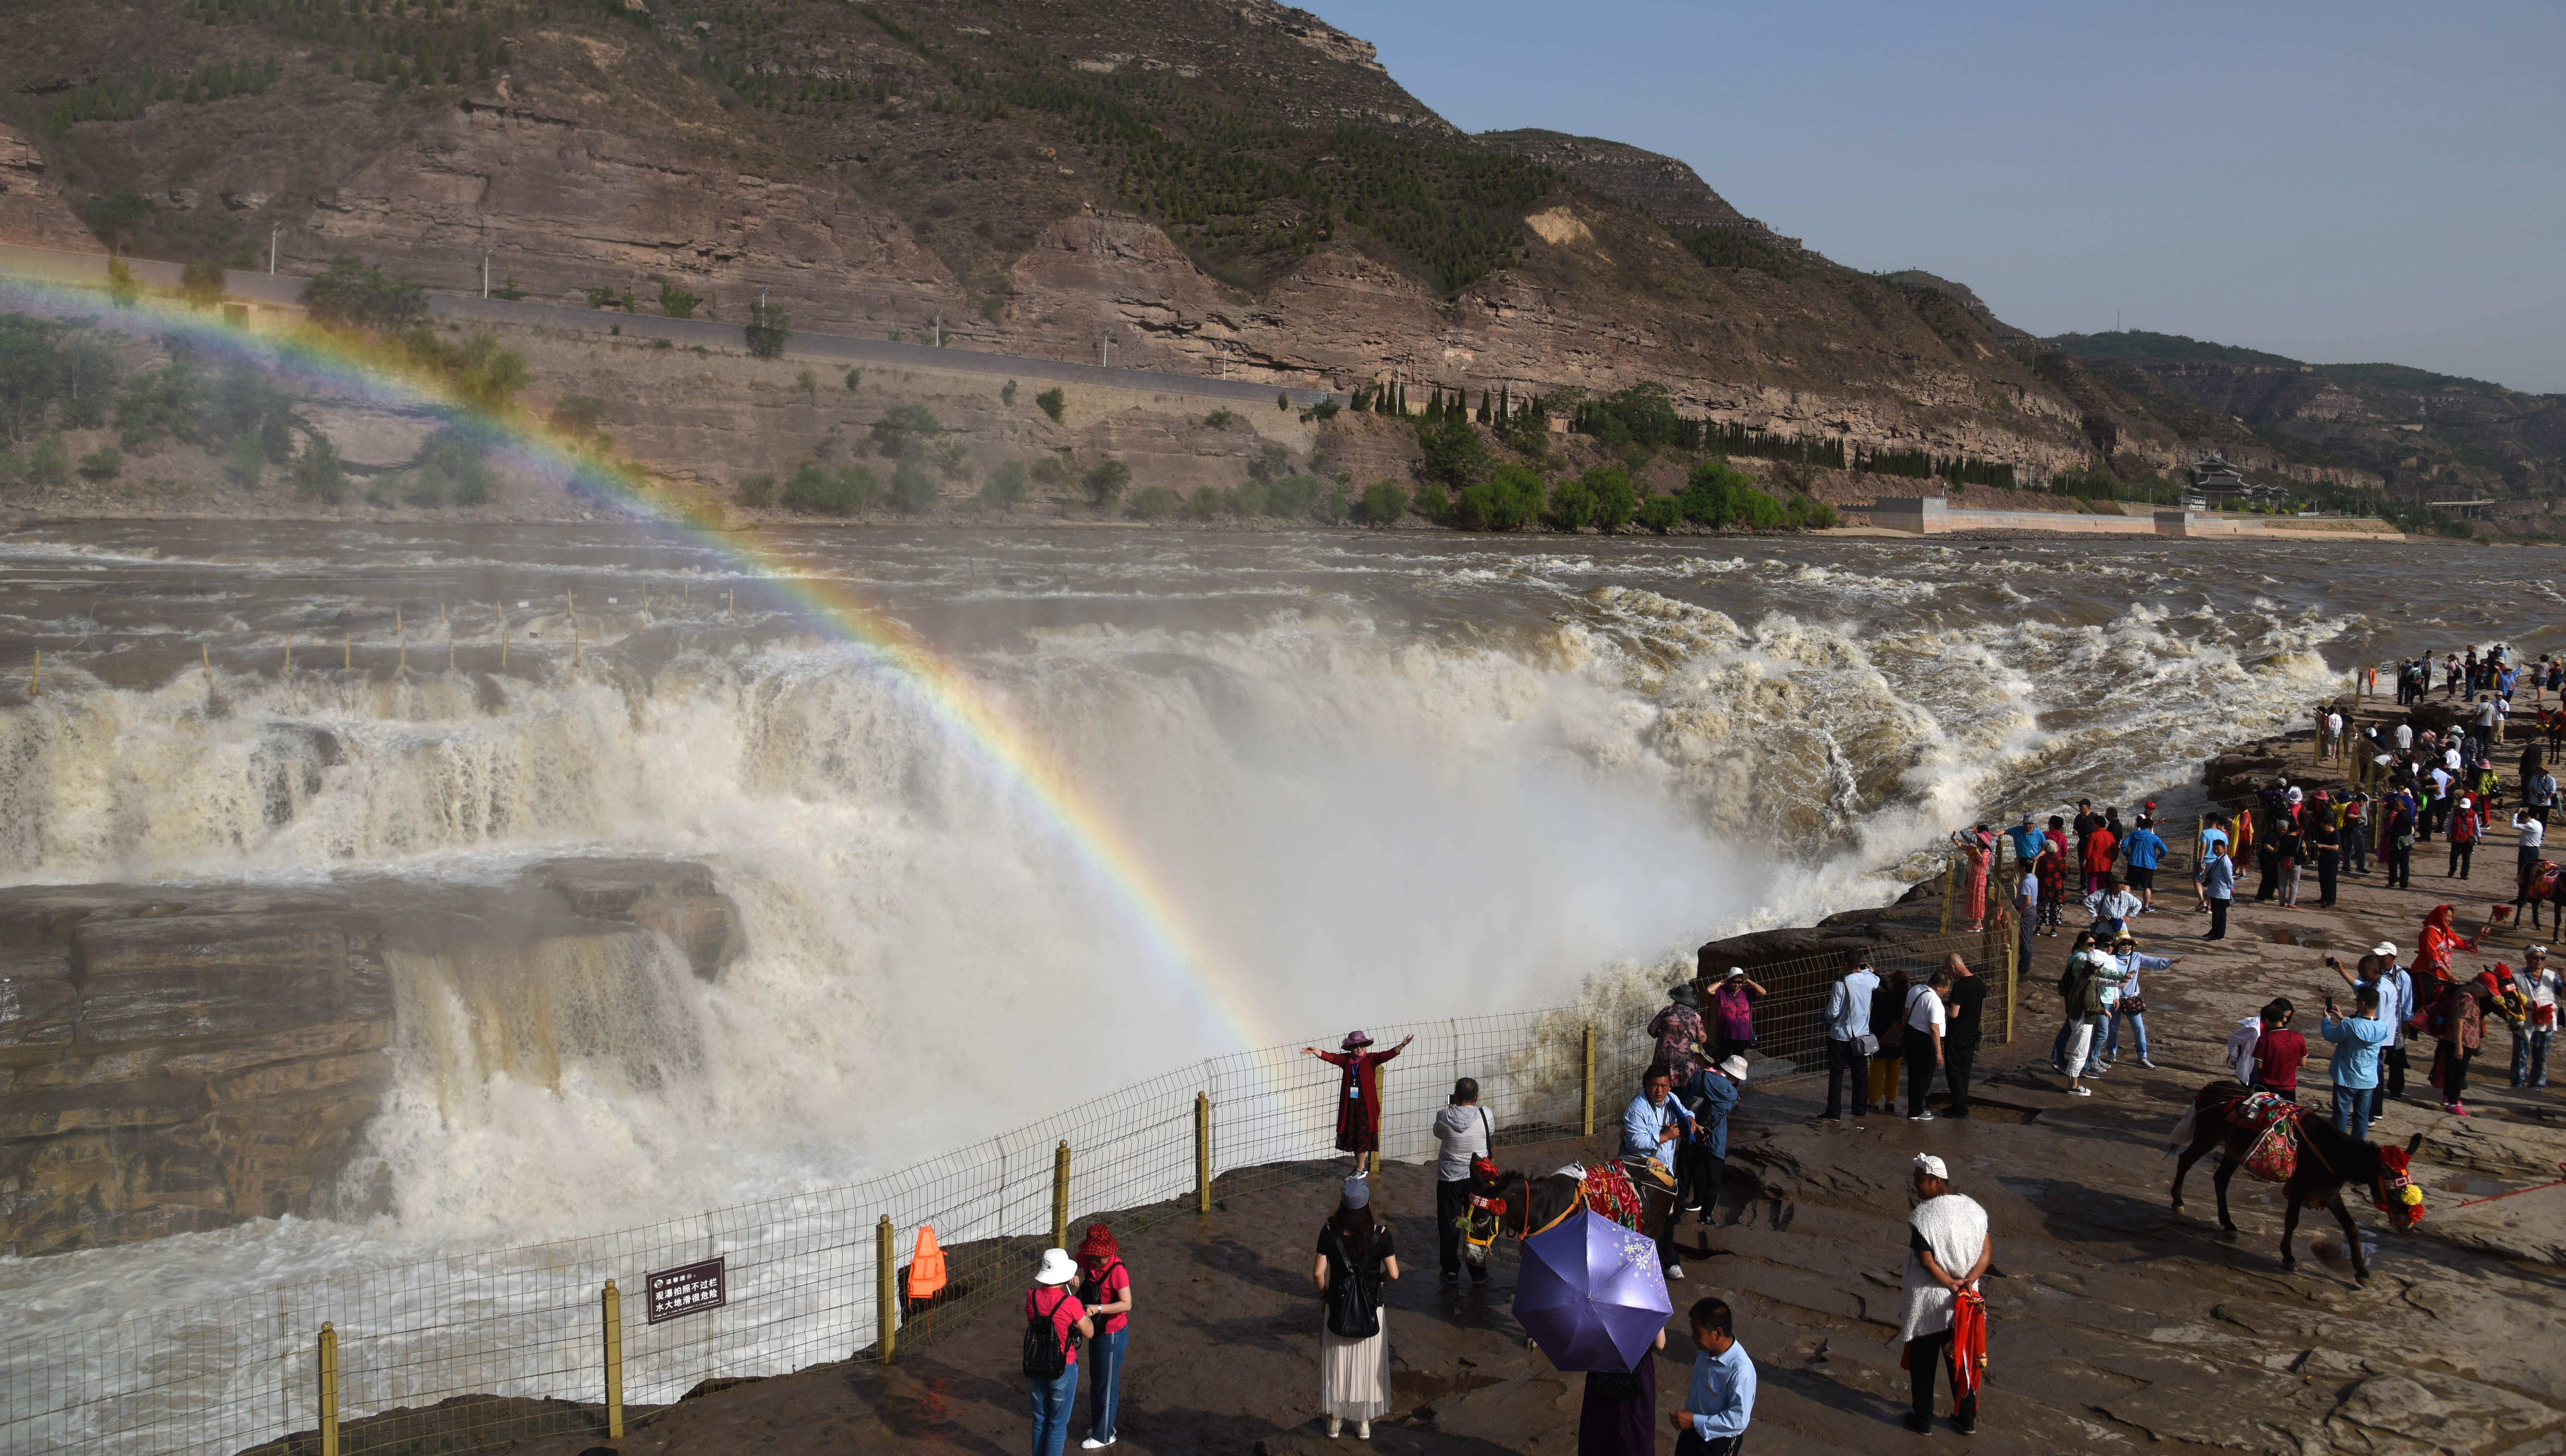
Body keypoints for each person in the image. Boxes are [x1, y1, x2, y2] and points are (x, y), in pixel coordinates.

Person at [1900, 1153, 1989, 1436]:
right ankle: (1966, 1421)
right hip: (1963, 1307)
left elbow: (1926, 1262)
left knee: (1924, 1368)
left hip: (1928, 1308)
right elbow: (1986, 1252)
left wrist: (1951, 1283)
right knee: (1961, 1362)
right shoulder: (1975, 1210)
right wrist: (1968, 1281)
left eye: (1919, 1179)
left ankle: (1923, 1420)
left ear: (1936, 1181)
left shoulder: (1923, 1218)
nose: (1915, 1184)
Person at [1313, 1175, 1398, 1439]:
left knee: (1337, 1364)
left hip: (1338, 1306)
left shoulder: (1329, 1232)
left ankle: (1334, 1422)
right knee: (1366, 1364)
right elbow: (1394, 1274)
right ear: (1368, 1204)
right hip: (1371, 1308)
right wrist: (1379, 1283)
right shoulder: (1381, 1235)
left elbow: (1318, 1273)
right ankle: (1362, 1424)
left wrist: (1324, 1296)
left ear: (1342, 1204)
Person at [1622, 1065, 1694, 1278]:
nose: (1659, 1091)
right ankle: (1640, 1262)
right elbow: (1636, 1141)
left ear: (1670, 1086)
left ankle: (1669, 1262)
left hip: (1665, 1171)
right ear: (1646, 1084)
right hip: (1642, 1171)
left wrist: (1689, 1119)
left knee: (1668, 1216)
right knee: (1643, 1217)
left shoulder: (1671, 1099)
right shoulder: (1637, 1108)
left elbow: (1685, 1111)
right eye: (1655, 1085)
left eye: (1664, 1086)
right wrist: (1664, 1137)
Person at [1304, 1031, 1413, 1169]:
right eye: (1356, 1046)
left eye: (1362, 1045)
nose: (1359, 1048)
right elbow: (1331, 1057)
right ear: (1351, 1048)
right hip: (1350, 1105)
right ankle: (1359, 1167)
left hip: (1365, 1105)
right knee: (1355, 1134)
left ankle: (1360, 1169)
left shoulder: (1371, 1059)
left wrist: (1402, 1045)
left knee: (1362, 1135)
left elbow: (1386, 1055)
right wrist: (1316, 1051)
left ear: (1366, 1046)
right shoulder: (1346, 1060)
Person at [1025, 1248, 1095, 1456]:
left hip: (1036, 1364)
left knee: (1040, 1421)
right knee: (1057, 1426)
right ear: (1063, 1275)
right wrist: (1080, 1307)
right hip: (1063, 1367)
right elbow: (1089, 1332)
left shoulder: (1032, 1297)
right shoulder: (1071, 1303)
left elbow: (1042, 1318)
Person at [1672, 1296, 1754, 1455]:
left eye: (1697, 1332)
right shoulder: (1705, 1352)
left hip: (1716, 1444)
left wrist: (1695, 1422)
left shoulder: (1740, 1372)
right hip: (1691, 1432)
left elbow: (1738, 1420)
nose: (1693, 1337)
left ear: (1718, 1333)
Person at [1074, 1224, 1132, 1450]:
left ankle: (1104, 1435)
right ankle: (1104, 1426)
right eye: (1092, 1258)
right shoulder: (1088, 1258)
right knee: (1097, 1381)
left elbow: (1127, 1304)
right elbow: (1072, 1262)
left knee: (1106, 1385)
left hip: (1113, 1333)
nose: (1095, 1262)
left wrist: (1097, 1308)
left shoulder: (1118, 1270)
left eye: (1099, 1258)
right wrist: (1073, 1276)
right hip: (1096, 1331)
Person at [1432, 1080, 1493, 1285]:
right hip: (1478, 1179)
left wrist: (1452, 1111)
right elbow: (1489, 1133)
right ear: (1476, 1098)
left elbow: (1438, 1133)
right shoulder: (1486, 1115)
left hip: (1450, 1179)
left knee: (1449, 1225)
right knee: (1478, 1223)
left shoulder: (1444, 1116)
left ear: (1455, 1097)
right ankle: (1478, 1272)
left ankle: (1451, 1271)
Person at [1678, 1055, 1747, 1222]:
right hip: (1714, 1139)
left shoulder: (1698, 1077)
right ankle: (1706, 1217)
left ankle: (1677, 1212)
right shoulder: (1731, 1093)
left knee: (1683, 1175)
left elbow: (1684, 1100)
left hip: (1692, 1133)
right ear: (1736, 1076)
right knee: (1713, 1180)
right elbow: (1722, 1113)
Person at [2319, 983, 2392, 1141]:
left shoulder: (2351, 1025)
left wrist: (2327, 1021)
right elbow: (2364, 1028)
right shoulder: (2382, 1027)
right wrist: (2344, 1019)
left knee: (2341, 1115)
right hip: (2368, 1080)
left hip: (2347, 1078)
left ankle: (2340, 1143)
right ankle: (2358, 1145)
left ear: (2363, 1003)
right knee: (2362, 1116)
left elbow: (2331, 1036)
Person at [1578, 1325, 1666, 1456]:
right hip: (1635, 1375)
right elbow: (1659, 1344)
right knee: (1634, 1434)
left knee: (1599, 1431)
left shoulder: (1595, 1304)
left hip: (1602, 1371)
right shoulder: (1649, 1304)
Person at [2096, 934, 2173, 1070]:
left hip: (2131, 999)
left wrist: (2171, 961)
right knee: (2113, 1028)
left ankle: (2143, 1057)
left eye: (2129, 944)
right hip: (2115, 999)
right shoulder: (2111, 959)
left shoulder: (2136, 957)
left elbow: (2154, 962)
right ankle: (2111, 1053)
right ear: (2118, 946)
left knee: (2139, 1028)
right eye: (2123, 944)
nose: (2127, 947)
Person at [1822, 955, 1879, 1120]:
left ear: (1845, 964)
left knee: (1836, 1075)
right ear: (1859, 965)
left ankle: (1834, 1112)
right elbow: (1875, 978)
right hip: (1861, 1038)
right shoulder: (1869, 981)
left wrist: (1826, 1017)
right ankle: (1860, 1109)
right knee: (1860, 1074)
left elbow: (1833, 1013)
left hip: (1840, 1037)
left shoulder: (1841, 985)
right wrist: (1866, 971)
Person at [2429, 972, 2491, 1116]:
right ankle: (2453, 1102)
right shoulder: (2467, 1000)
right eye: (2487, 991)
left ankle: (2449, 1099)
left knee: (2453, 1071)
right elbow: (2459, 1023)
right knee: (2457, 1074)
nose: (2487, 994)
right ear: (2479, 988)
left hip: (2460, 1040)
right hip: (2462, 1042)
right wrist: (2459, 1047)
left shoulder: (2465, 992)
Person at [1941, 953, 1988, 1116]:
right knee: (1964, 1071)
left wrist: (1939, 1008)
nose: (1950, 973)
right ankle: (1959, 1104)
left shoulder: (1961, 987)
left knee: (1953, 1071)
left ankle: (1961, 1108)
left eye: (1949, 969)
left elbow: (1954, 1013)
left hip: (1957, 1034)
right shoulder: (1979, 983)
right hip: (1972, 1033)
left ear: (1953, 967)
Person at [1905, 968, 1949, 1121]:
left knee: (1914, 1074)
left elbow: (1906, 1012)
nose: (1946, 991)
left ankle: (1915, 1108)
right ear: (1939, 986)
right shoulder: (1934, 1000)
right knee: (1924, 1076)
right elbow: (1934, 1028)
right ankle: (1916, 1111)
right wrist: (1939, 1053)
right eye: (1946, 988)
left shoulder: (1915, 990)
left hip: (1911, 1034)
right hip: (1925, 1040)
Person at [2512, 945, 2558, 1089]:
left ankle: (2538, 1084)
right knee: (2520, 1053)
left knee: (2542, 1054)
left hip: (2546, 1019)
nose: (2539, 961)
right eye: (2535, 957)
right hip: (2524, 1018)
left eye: (2542, 958)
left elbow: (2564, 996)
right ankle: (2517, 1082)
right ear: (2527, 958)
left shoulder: (2552, 976)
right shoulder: (2516, 976)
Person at [1648, 983, 1709, 1088]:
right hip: (1686, 1059)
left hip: (1664, 1058)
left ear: (1676, 998)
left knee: (1662, 1086)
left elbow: (1651, 1030)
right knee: (1683, 1090)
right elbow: (1702, 1039)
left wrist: (1663, 1035)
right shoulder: (1696, 1016)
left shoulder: (1666, 1011)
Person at [1868, 967, 1910, 1112]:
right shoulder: (1906, 998)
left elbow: (1886, 987)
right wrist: (1877, 974)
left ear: (1892, 984)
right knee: (1894, 1072)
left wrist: (1873, 976)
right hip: (1898, 1041)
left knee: (1877, 1071)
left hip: (1880, 1040)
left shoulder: (1880, 997)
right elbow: (1892, 985)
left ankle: (1874, 1101)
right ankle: (1890, 1101)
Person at [2250, 998, 2306, 1103]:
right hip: (2289, 1089)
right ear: (2283, 1019)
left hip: (2266, 1088)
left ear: (2266, 1020)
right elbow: (2303, 1063)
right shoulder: (2298, 1037)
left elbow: (2259, 1065)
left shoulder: (2265, 1039)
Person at [1708, 968, 1767, 1062]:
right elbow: (1710, 990)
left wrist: (1748, 981)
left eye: (1740, 982)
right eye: (1734, 982)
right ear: (1729, 981)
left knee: (1737, 1062)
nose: (1737, 985)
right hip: (1726, 1034)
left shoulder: (1747, 992)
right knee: (1724, 1060)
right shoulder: (1722, 992)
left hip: (1742, 1034)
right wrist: (1722, 982)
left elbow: (1763, 992)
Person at [2514, 809, 2551, 930]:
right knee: (2533, 874)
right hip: (2535, 850)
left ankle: (2523, 897)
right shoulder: (2538, 824)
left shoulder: (2530, 825)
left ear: (2525, 820)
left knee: (2523, 875)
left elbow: (2513, 825)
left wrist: (2515, 814)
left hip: (2527, 851)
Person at [2121, 816, 2168, 913]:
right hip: (2148, 864)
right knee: (2147, 887)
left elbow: (2124, 844)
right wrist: (2159, 857)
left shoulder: (2134, 834)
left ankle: (2123, 905)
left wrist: (2127, 854)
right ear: (2152, 828)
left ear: (2142, 826)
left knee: (2128, 883)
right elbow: (2165, 850)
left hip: (2134, 862)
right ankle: (2146, 907)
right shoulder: (2154, 838)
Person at [2196, 834, 2235, 941]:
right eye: (2214, 849)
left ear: (2224, 849)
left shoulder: (2226, 861)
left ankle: (2219, 935)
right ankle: (2214, 931)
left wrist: (2232, 887)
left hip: (2222, 892)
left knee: (2220, 915)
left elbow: (2229, 877)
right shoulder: (2218, 859)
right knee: (2215, 913)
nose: (2216, 851)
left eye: (2218, 849)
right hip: (2215, 890)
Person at [2309, 795, 2343, 907]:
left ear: (2330, 825)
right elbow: (2320, 840)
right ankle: (2324, 897)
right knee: (2322, 879)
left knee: (2331, 880)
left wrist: (2323, 846)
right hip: (2323, 857)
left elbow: (2336, 847)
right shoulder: (2324, 832)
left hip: (2332, 859)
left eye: (2325, 827)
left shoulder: (2335, 834)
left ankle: (2331, 900)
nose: (2324, 829)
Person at [2085, 872, 2142, 939]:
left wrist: (2130, 916)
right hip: (2105, 926)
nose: (2123, 886)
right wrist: (2097, 916)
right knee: (2104, 945)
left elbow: (2139, 905)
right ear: (2113, 883)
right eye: (2120, 883)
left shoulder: (2126, 896)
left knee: (2124, 945)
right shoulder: (2102, 893)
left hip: (2121, 926)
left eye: (2123, 884)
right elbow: (2087, 902)